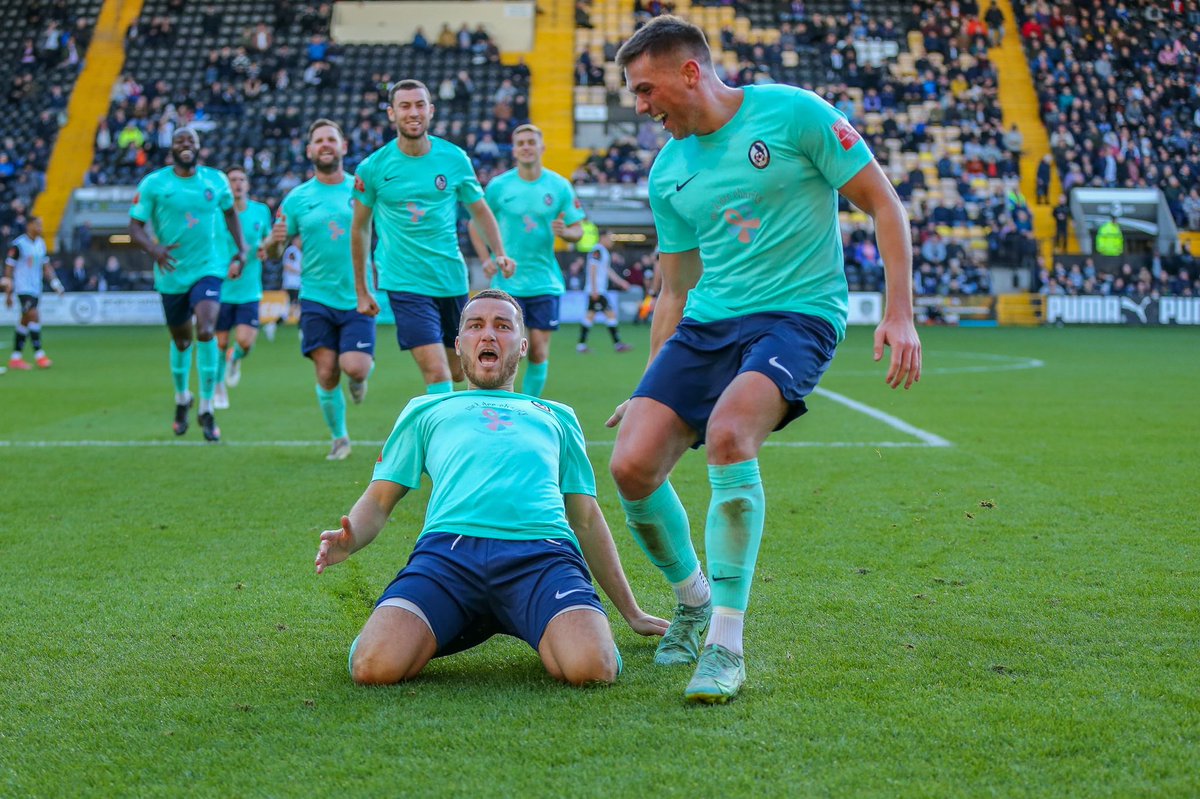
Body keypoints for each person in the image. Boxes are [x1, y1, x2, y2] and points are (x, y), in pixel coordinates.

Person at [607, 16, 921, 703]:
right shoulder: (669, 172)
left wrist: (899, 310)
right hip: (710, 321)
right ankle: (691, 598)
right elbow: (674, 290)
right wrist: (647, 384)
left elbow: (884, 204)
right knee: (630, 465)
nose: (640, 107)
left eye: (644, 89)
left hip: (798, 315)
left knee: (729, 433)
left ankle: (725, 643)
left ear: (690, 72)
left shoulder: (795, 114)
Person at [316, 289, 668, 685]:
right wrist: (352, 538)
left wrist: (632, 612)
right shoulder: (426, 410)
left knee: (593, 669)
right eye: (475, 325)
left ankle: (537, 619)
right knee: (373, 668)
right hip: (448, 558)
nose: (488, 335)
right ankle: (430, 621)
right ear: (459, 344)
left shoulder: (557, 416)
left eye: (502, 326)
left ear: (520, 346)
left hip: (542, 557)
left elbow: (585, 519)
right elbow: (379, 500)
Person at [351, 79, 512, 395]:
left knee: (457, 372)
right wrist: (362, 289)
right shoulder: (372, 168)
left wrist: (500, 251)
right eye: (405, 106)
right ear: (391, 114)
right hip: (404, 282)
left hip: (450, 279)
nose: (413, 112)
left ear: (431, 110)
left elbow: (480, 211)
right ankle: (443, 445)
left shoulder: (454, 158)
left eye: (419, 105)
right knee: (437, 373)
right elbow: (359, 227)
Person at [129, 128, 246, 442]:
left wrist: (241, 249)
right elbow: (134, 227)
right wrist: (153, 249)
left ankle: (207, 407)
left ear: (199, 148)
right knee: (182, 341)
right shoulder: (154, 183)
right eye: (180, 141)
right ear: (172, 148)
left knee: (206, 329)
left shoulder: (216, 180)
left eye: (191, 141)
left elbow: (230, 214)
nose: (186, 145)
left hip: (209, 267)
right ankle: (183, 398)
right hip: (171, 273)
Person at [266, 119, 373, 462]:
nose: (325, 145)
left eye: (332, 139)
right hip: (315, 297)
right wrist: (272, 243)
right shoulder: (296, 199)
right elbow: (273, 251)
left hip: (357, 294)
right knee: (327, 371)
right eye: (318, 141)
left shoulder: (361, 190)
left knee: (355, 367)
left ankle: (359, 380)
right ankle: (340, 438)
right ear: (310, 150)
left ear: (343, 146)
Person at [467, 123, 585, 397]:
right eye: (520, 143)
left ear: (541, 148)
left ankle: (528, 405)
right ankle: (499, 399)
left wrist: (566, 232)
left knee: (538, 351)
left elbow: (578, 230)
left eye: (531, 142)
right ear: (514, 150)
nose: (526, 147)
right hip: (507, 283)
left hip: (544, 281)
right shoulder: (499, 186)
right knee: (504, 349)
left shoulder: (559, 186)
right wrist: (487, 258)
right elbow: (476, 224)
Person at [212, 166, 272, 409]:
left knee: (246, 342)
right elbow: (211, 245)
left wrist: (265, 248)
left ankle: (235, 359)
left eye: (241, 180)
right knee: (220, 342)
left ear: (247, 185)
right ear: (227, 186)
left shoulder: (261, 211)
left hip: (249, 289)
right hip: (223, 289)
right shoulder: (218, 214)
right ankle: (217, 386)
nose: (237, 184)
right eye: (232, 180)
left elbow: (268, 240)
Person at [5, 216, 64, 370]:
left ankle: (15, 358)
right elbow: (9, 267)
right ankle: (39, 355)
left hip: (36, 288)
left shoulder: (40, 244)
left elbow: (46, 266)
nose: (40, 228)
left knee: (25, 320)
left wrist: (55, 283)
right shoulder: (19, 245)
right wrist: (8, 290)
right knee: (34, 315)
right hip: (23, 288)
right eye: (37, 225)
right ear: (29, 225)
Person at [577, 231, 632, 353]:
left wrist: (621, 282)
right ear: (603, 237)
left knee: (590, 316)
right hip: (597, 291)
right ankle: (618, 344)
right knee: (610, 314)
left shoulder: (603, 251)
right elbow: (592, 268)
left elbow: (607, 270)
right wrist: (594, 289)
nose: (611, 241)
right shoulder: (597, 250)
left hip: (597, 290)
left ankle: (581, 346)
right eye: (609, 238)